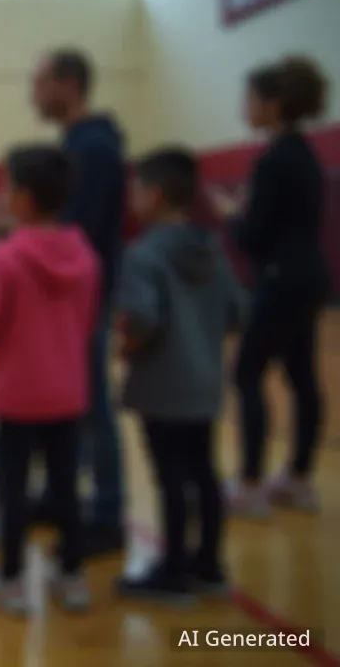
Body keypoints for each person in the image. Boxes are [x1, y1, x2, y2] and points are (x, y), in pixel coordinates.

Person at [0, 145, 98, 616]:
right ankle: (71, 576)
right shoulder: (85, 255)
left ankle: (10, 580)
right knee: (66, 487)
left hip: (16, 395)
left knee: (12, 490)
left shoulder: (5, 258)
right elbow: (87, 322)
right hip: (67, 391)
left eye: (7, 187)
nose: (1, 194)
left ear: (25, 199)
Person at [115, 148, 246, 602]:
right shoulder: (212, 247)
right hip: (206, 380)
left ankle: (171, 571)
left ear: (152, 195)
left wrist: (125, 346)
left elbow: (144, 319)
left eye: (135, 188)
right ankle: (208, 566)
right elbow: (237, 312)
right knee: (204, 473)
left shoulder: (142, 254)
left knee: (170, 477)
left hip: (163, 384)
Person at [207, 56, 329, 517]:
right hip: (310, 275)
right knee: (301, 377)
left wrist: (231, 216)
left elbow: (253, 237)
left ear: (273, 105)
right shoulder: (305, 155)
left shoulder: (273, 159)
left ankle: (251, 483)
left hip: (280, 279)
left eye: (251, 100)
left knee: (246, 373)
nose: (246, 108)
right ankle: (298, 477)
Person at [30, 48, 127, 557]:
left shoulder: (93, 149)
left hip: (82, 298)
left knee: (92, 406)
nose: (33, 94)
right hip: (65, 297)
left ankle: (108, 513)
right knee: (65, 401)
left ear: (69, 84)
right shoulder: (78, 144)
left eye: (40, 83)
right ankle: (58, 495)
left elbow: (77, 235)